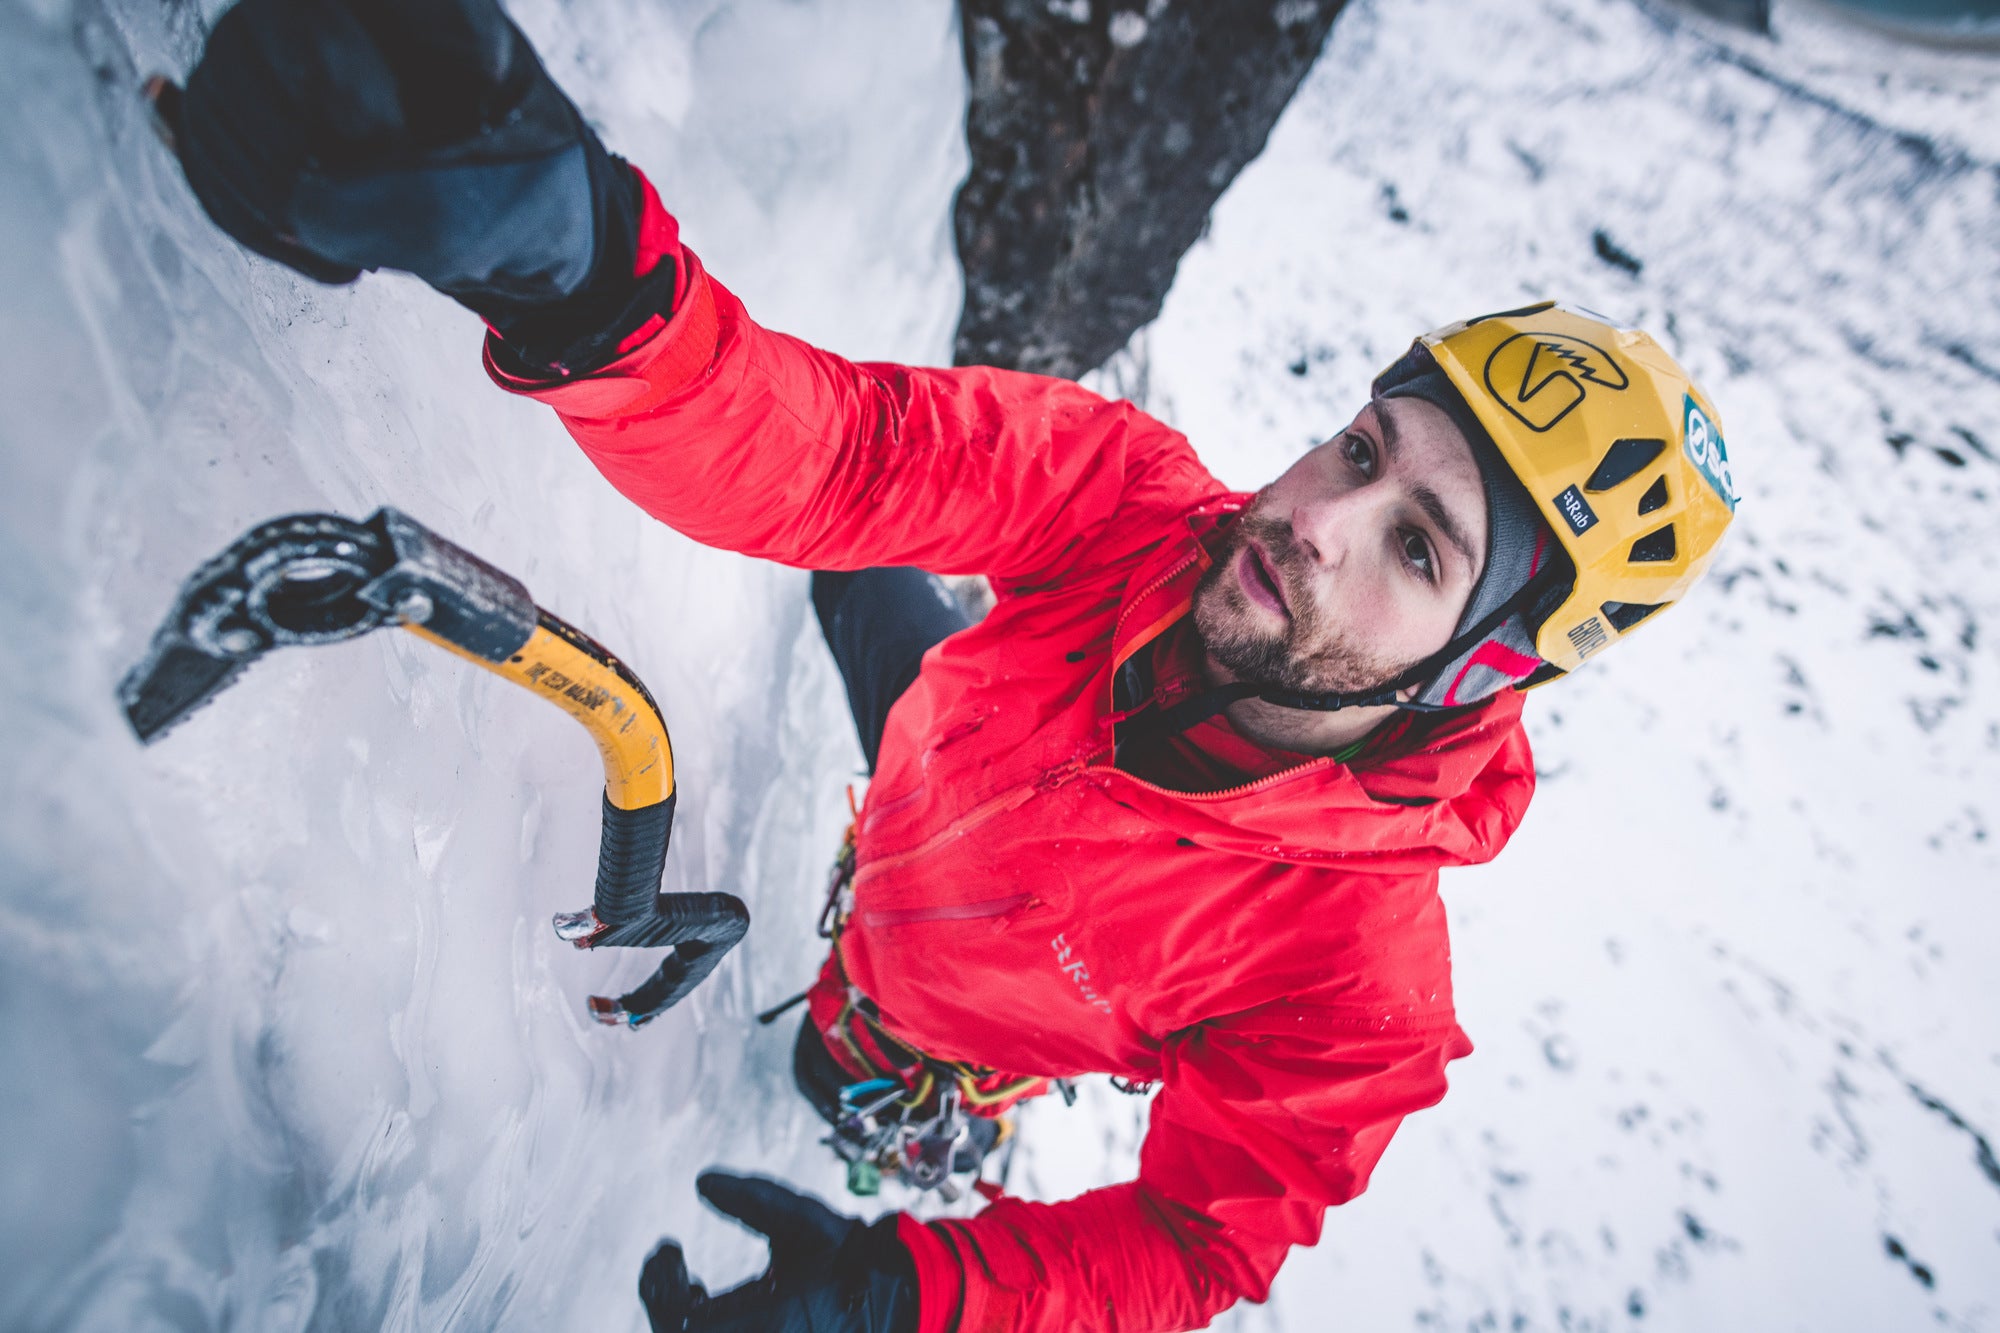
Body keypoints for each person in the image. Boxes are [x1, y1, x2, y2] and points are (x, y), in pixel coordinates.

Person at [161, 3, 1739, 1330]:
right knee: (858, 572)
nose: (1317, 519)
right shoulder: (1125, 500)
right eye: (1358, 446)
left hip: (918, 1038)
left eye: (1419, 550)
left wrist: (917, 1297)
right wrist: (579, 267)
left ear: (1480, 675)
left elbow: (1200, 1244)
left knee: (827, 1063)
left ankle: (851, 1091)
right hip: (927, 794)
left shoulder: (1348, 984)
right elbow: (840, 457)